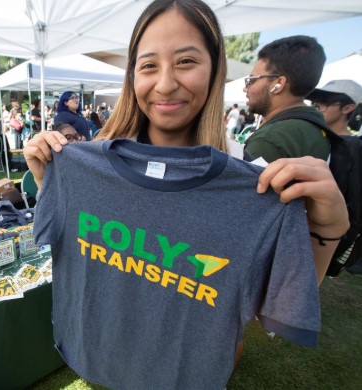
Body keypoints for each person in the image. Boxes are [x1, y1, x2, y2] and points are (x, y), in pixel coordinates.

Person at [23, 0, 349, 387]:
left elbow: (277, 305)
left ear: (215, 70)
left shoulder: (253, 179)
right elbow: (73, 242)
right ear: (132, 75)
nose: (164, 83)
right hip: (103, 360)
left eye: (185, 61)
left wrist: (329, 227)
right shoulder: (85, 163)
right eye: (148, 65)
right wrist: (52, 182)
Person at [243, 35, 330, 163]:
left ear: (278, 84)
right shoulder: (313, 124)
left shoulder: (270, 140)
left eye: (251, 80)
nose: (245, 89)